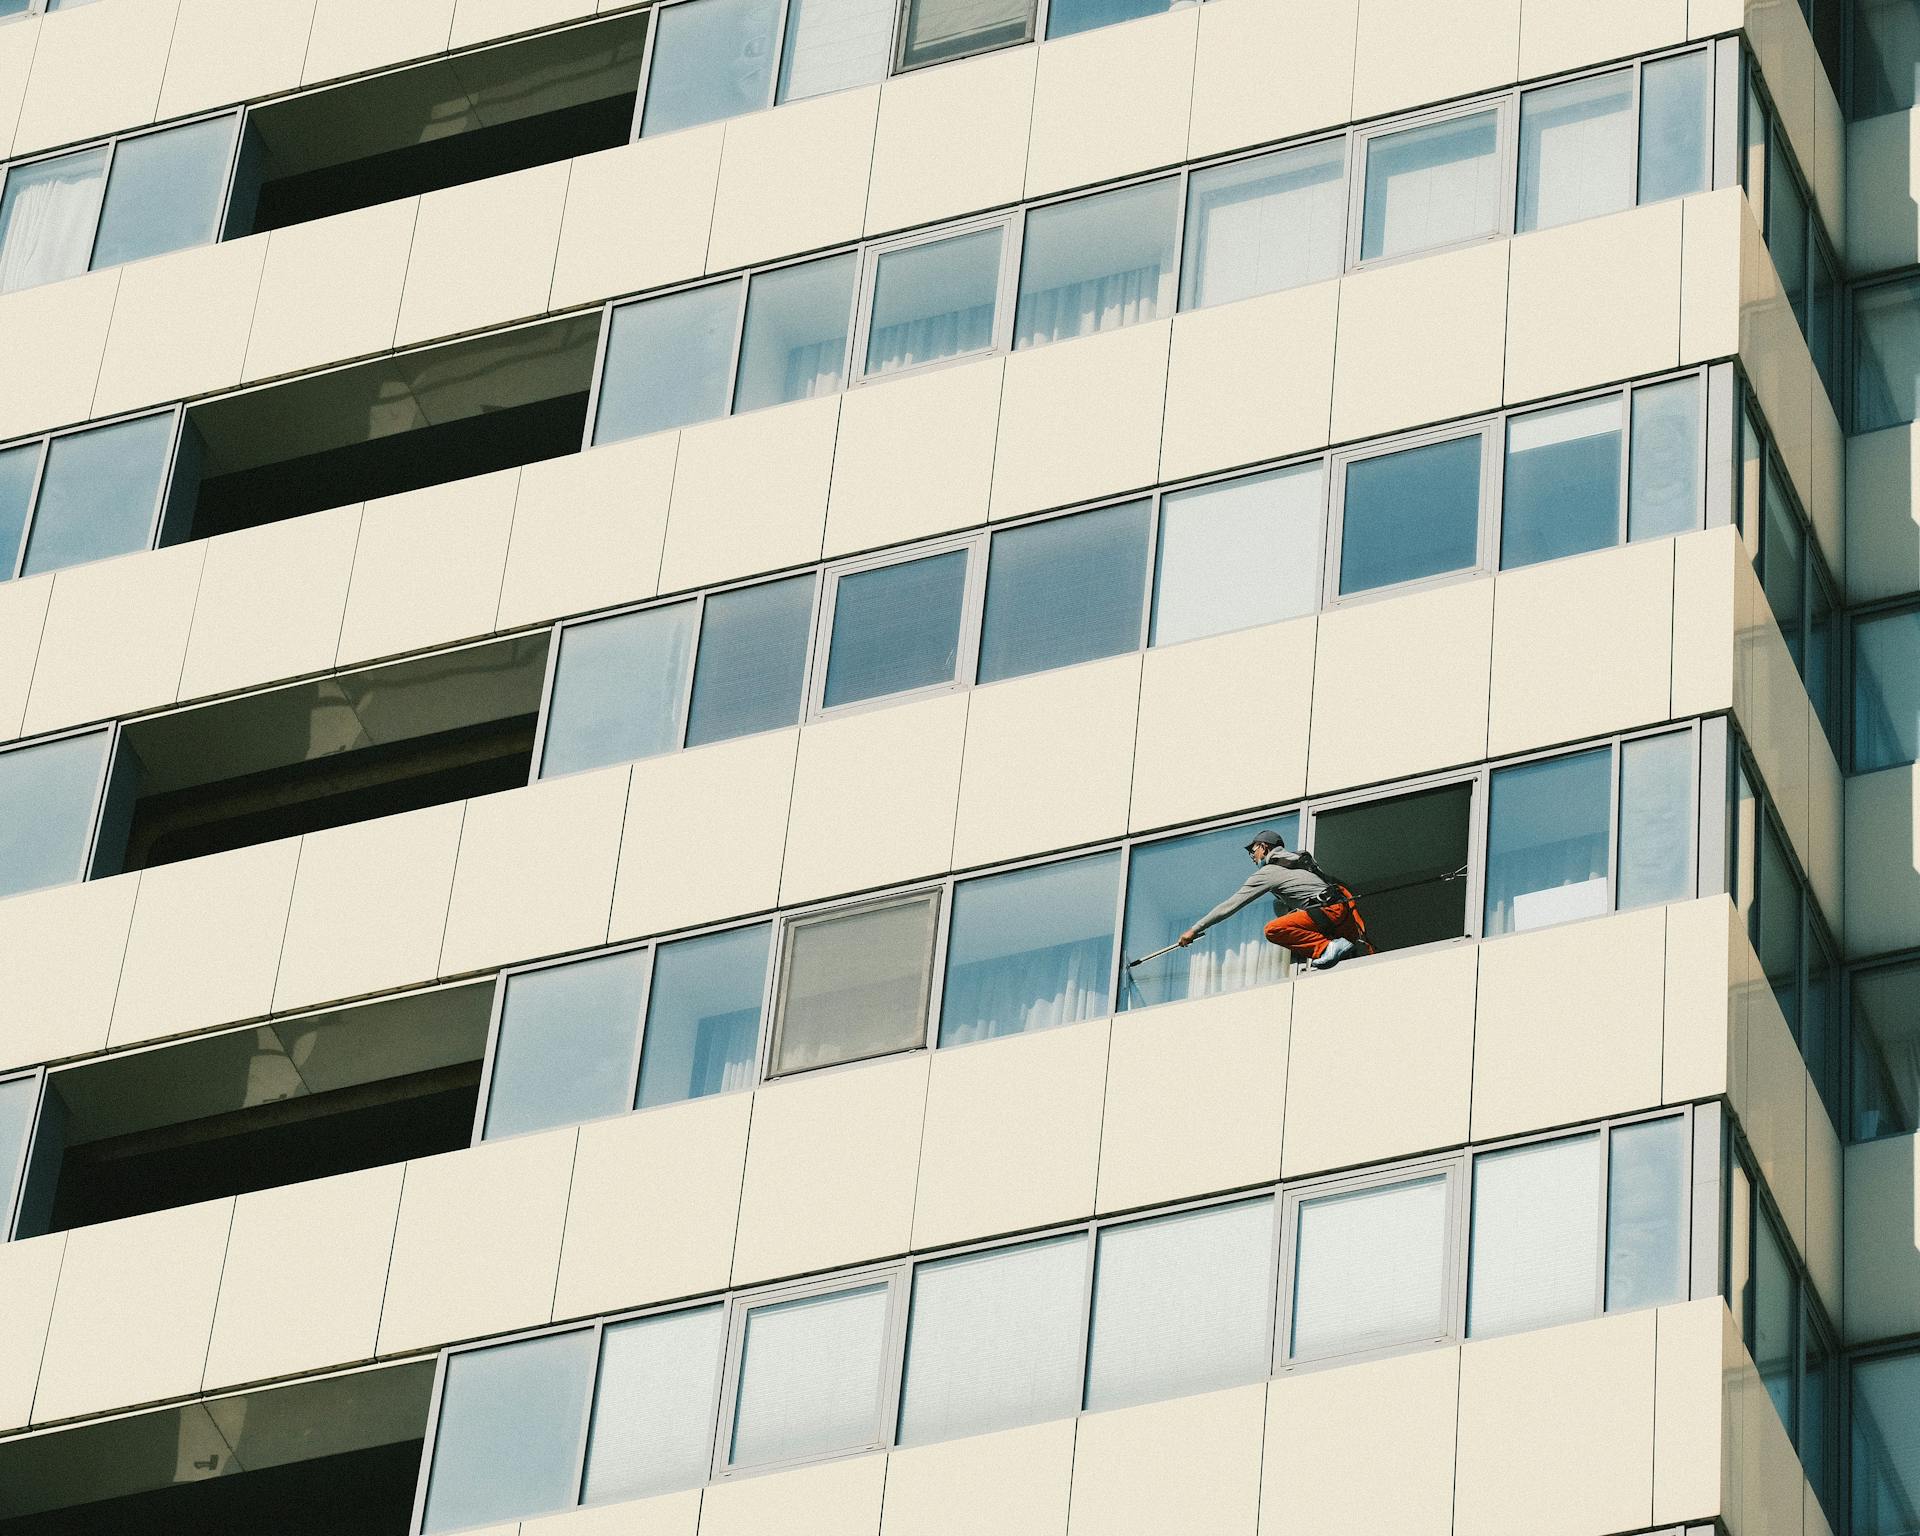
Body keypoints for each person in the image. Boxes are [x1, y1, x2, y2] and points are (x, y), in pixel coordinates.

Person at [1176, 829, 1371, 971]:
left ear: (1263, 846)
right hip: (1341, 914)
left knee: (1274, 930)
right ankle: (1338, 949)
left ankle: (1326, 947)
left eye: (1252, 850)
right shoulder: (1297, 864)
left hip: (1326, 913)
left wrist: (1194, 929)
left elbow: (1230, 906)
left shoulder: (1269, 872)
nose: (1252, 856)